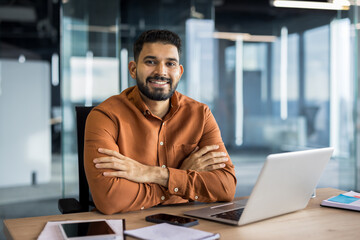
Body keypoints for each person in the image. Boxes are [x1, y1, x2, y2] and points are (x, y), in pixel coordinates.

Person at [84, 29, 237, 214]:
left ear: (179, 72)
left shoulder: (201, 114)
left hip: (188, 223)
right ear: (133, 69)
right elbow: (110, 199)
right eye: (151, 62)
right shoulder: (105, 116)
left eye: (170, 63)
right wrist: (179, 179)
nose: (161, 72)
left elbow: (226, 187)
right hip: (129, 225)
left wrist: (154, 174)